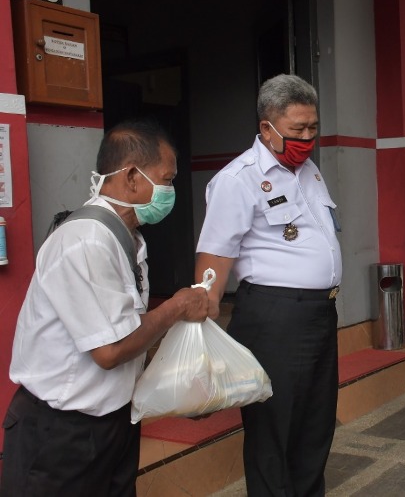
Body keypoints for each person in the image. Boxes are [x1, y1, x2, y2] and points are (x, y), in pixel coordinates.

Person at [1, 120, 209, 497]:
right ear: (131, 176)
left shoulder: (126, 238)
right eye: (167, 179)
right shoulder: (86, 241)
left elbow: (131, 330)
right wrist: (177, 306)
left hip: (112, 424)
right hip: (62, 434)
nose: (171, 190)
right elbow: (111, 350)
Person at [194, 74, 341, 496]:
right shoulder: (237, 179)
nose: (308, 138)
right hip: (273, 318)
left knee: (316, 422)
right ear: (267, 128)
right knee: (273, 431)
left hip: (318, 313)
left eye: (313, 128)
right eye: (297, 130)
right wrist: (202, 328)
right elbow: (214, 258)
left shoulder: (309, 171)